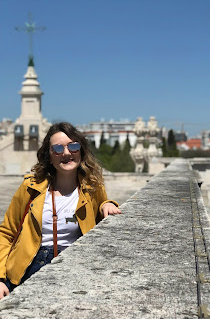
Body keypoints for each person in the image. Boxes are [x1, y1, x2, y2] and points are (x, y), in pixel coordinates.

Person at [0, 122, 121, 299]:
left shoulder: (92, 187)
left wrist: (108, 204)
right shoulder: (30, 187)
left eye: (73, 146)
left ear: (81, 151)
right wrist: (1, 278)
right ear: (49, 156)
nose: (66, 153)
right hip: (27, 266)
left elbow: (103, 204)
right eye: (57, 148)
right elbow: (6, 233)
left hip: (72, 266)